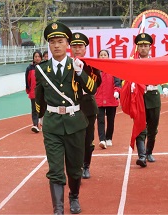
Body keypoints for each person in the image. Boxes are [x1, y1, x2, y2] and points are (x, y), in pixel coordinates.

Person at [35, 22, 99, 214]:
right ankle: (58, 209)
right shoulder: (41, 70)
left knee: (74, 167)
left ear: (67, 44)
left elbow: (92, 89)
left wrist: (80, 72)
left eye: (60, 41)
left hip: (75, 123)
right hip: (53, 124)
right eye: (52, 41)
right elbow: (39, 95)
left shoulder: (77, 66)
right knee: (55, 169)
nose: (56, 45)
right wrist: (40, 115)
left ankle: (74, 197)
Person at [133, 33, 168, 167]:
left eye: (145, 46)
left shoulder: (155, 62)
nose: (143, 48)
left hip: (153, 97)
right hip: (139, 98)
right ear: (137, 48)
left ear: (150, 47)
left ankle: (149, 152)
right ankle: (141, 156)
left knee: (153, 128)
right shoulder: (133, 63)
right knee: (140, 127)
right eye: (140, 46)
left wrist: (165, 87)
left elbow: (163, 76)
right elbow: (126, 77)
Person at [70, 32, 102, 179]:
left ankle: (86, 165)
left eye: (80, 46)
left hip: (88, 106)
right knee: (72, 140)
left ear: (85, 49)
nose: (77, 49)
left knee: (88, 140)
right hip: (71, 106)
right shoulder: (65, 64)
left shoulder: (91, 65)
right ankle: (76, 166)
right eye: (74, 46)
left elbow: (96, 83)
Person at [95, 49, 121, 149]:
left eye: (105, 55)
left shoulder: (113, 68)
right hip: (98, 99)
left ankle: (109, 138)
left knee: (111, 120)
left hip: (111, 99)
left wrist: (117, 91)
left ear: (108, 57)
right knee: (100, 120)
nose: (103, 56)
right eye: (101, 55)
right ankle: (102, 139)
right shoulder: (95, 70)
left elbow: (117, 81)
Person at [25, 50, 42, 133]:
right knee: (34, 109)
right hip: (33, 92)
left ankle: (43, 123)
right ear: (33, 58)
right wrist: (28, 89)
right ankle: (35, 125)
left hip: (44, 92)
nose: (37, 58)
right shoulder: (30, 68)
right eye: (35, 56)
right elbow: (27, 80)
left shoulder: (44, 66)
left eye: (39, 56)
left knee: (44, 108)